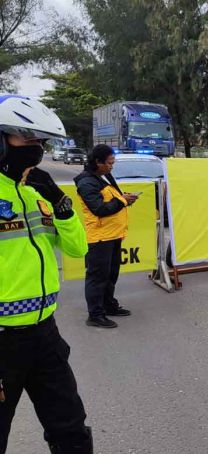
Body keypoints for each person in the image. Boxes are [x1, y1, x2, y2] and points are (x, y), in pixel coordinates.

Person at [0, 95, 93, 453]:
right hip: (2, 340)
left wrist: (60, 202)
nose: (36, 149)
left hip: (45, 335)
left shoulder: (37, 193)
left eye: (40, 141)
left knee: (71, 429)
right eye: (27, 139)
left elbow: (77, 249)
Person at [75, 145, 137, 329]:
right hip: (100, 238)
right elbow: (100, 209)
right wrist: (123, 201)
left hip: (114, 234)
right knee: (97, 277)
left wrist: (123, 197)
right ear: (98, 162)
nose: (112, 166)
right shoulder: (86, 182)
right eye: (109, 163)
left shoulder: (102, 175)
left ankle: (109, 305)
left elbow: (111, 198)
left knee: (111, 274)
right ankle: (95, 315)